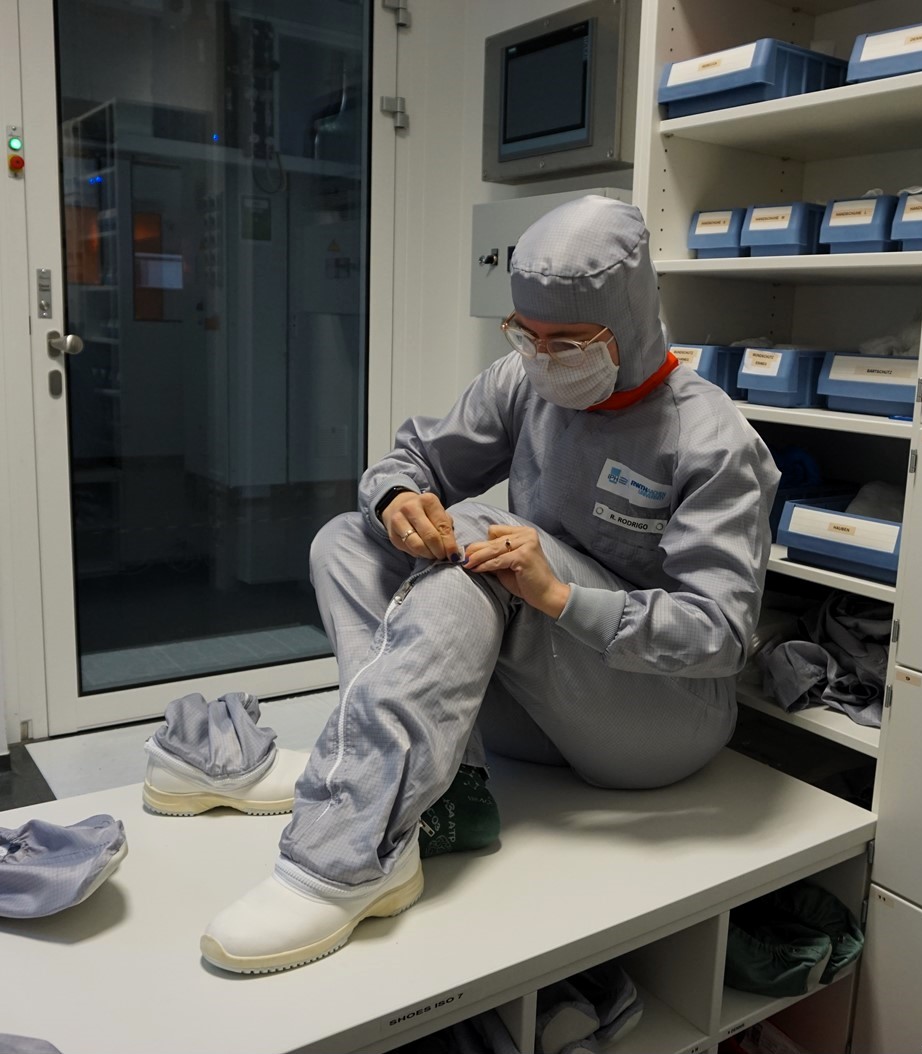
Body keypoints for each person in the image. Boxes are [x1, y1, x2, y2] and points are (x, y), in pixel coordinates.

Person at [201, 196, 780, 974]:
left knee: (481, 537)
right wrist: (398, 500)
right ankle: (443, 800)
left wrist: (563, 597)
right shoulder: (524, 382)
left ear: (632, 320)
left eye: (568, 341)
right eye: (527, 336)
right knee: (347, 538)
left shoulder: (712, 440)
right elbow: (410, 460)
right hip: (536, 709)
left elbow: (723, 637)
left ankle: (340, 856)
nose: (543, 358)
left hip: (657, 721)